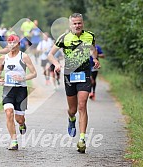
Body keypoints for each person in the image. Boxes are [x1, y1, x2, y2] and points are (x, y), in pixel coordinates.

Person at [48, 13, 100, 153]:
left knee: (82, 105)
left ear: (82, 23)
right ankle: (71, 118)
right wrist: (56, 64)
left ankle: (82, 139)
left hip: (84, 74)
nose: (77, 25)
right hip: (69, 76)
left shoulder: (90, 36)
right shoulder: (64, 38)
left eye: (79, 23)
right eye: (74, 23)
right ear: (70, 25)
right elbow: (50, 54)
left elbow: (93, 49)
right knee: (73, 109)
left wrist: (95, 59)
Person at [0, 35, 37, 150]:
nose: (12, 45)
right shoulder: (3, 58)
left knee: (19, 119)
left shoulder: (24, 57)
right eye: (10, 43)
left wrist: (23, 78)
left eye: (14, 43)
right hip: (8, 89)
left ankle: (22, 124)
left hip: (21, 90)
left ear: (19, 44)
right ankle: (14, 141)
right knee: (9, 113)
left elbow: (34, 73)